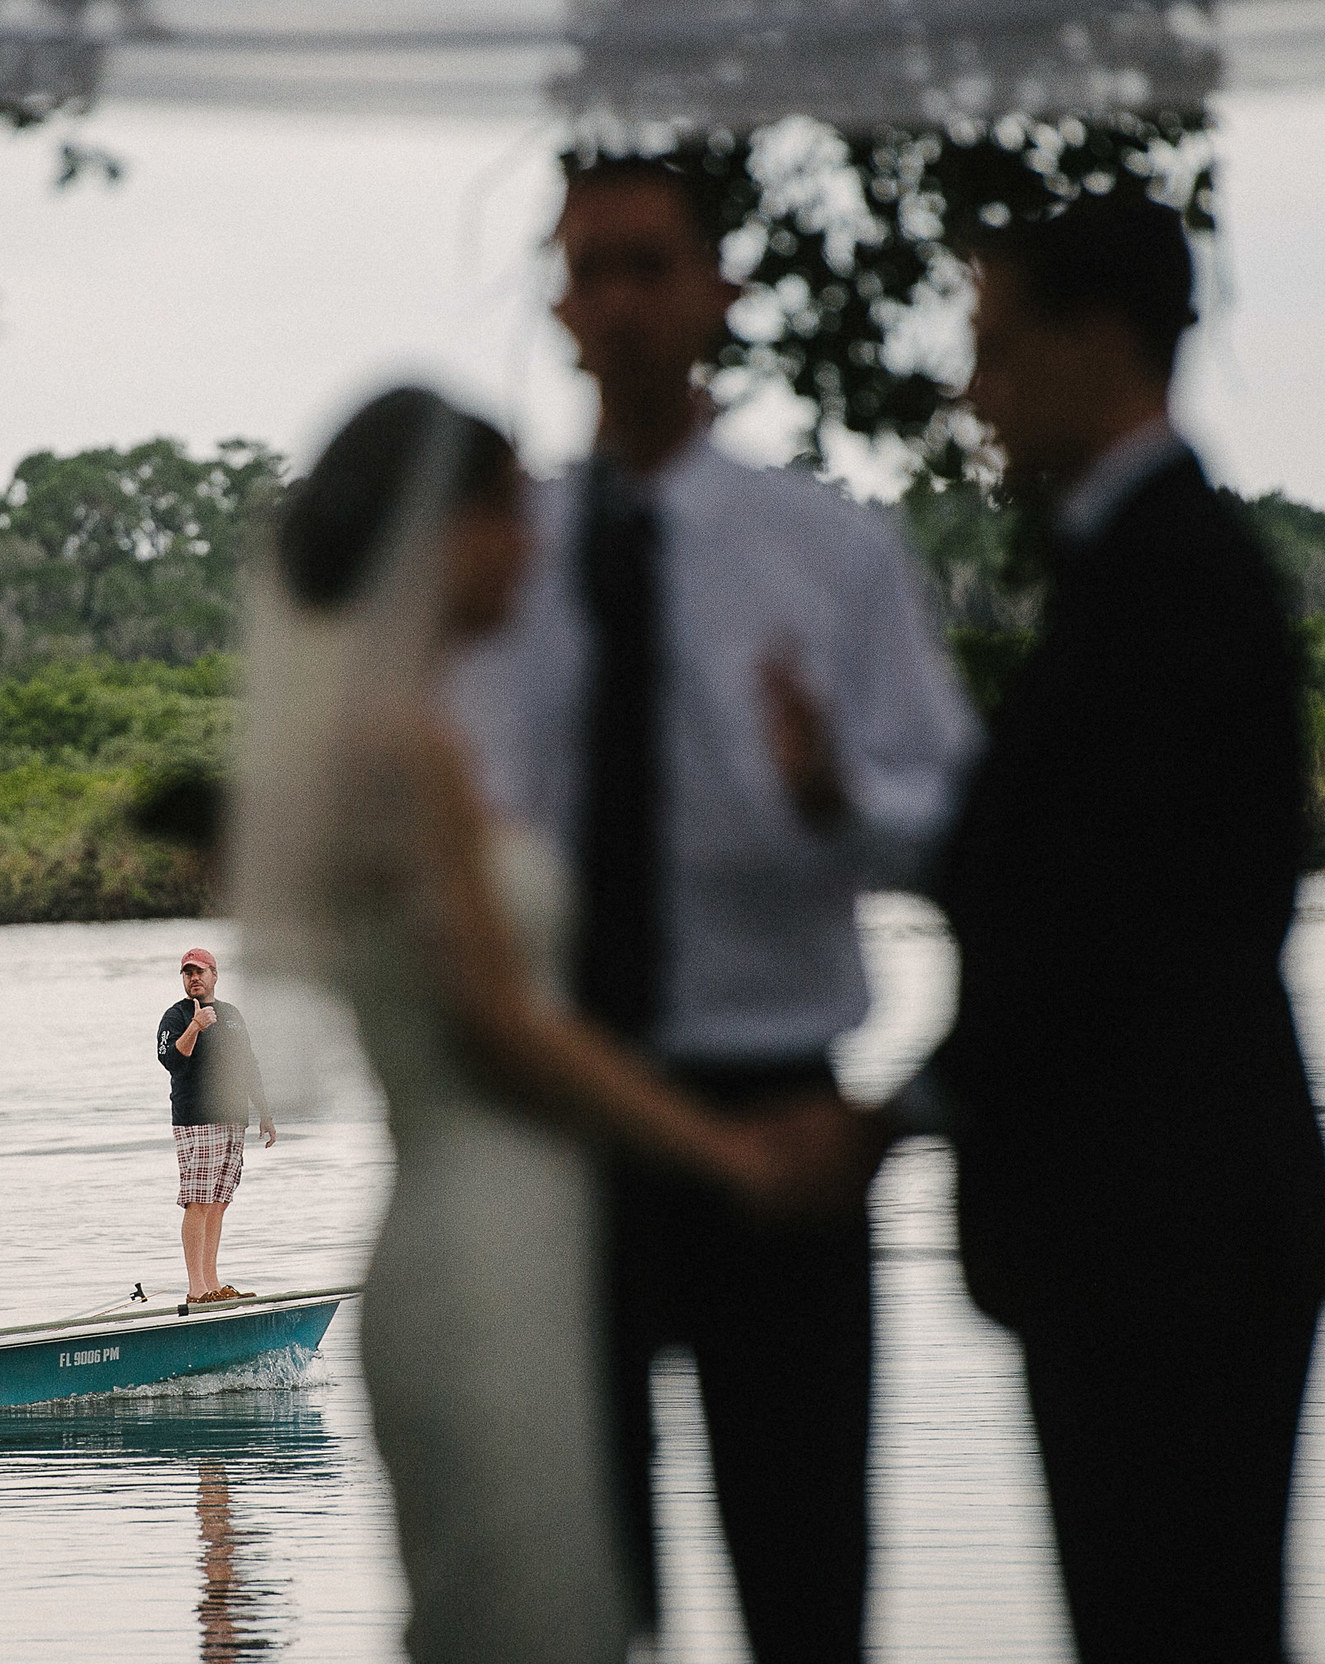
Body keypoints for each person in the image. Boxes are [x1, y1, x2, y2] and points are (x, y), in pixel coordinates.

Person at [233, 385, 877, 1664]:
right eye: (506, 518)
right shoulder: (401, 753)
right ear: (439, 533)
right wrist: (733, 1153)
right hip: (487, 1250)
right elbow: (500, 1023)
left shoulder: (414, 743)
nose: (532, 545)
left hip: (511, 1233)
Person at [446, 152, 978, 1661]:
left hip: (780, 1137)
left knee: (807, 1593)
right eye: (586, 267)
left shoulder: (830, 550)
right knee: (580, 1603)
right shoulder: (505, 561)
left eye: (647, 266)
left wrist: (840, 805)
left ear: (718, 294)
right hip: (561, 1144)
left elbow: (969, 841)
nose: (614, 301)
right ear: (558, 298)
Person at [889, 196, 1325, 1664]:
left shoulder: (1169, 584)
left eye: (999, 350)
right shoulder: (1148, 570)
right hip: (1160, 1239)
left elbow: (1106, 935)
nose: (976, 393)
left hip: (1170, 1247)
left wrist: (902, 1110)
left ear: (1096, 344)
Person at [156, 946, 275, 1302]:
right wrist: (196, 1025)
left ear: (214, 975)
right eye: (187, 973)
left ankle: (212, 1282)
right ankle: (197, 1289)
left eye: (200, 972)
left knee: (220, 1200)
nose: (194, 978)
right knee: (199, 1200)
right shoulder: (175, 1017)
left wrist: (264, 1112)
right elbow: (171, 1061)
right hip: (196, 1119)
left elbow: (248, 1064)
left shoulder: (232, 1015)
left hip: (232, 1117)